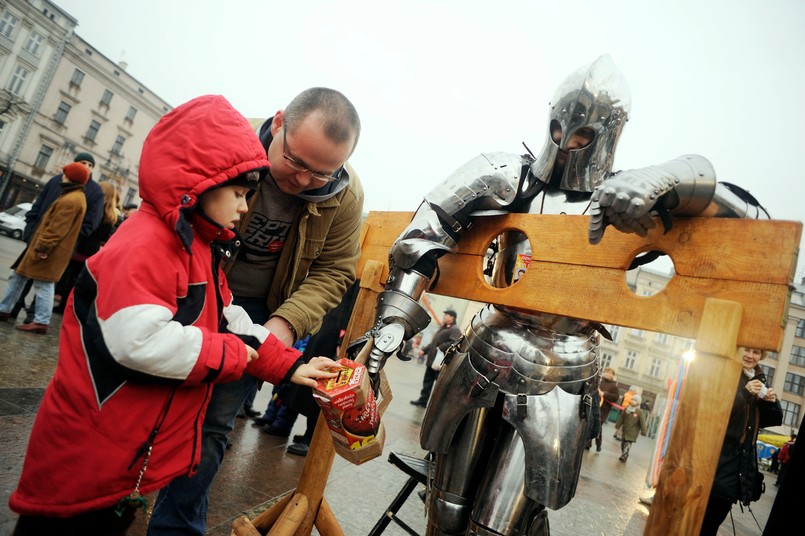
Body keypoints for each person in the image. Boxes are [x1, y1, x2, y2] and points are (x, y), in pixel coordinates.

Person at [352, 55, 771, 534]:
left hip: (565, 371)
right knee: (445, 512)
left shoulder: (626, 200)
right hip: (486, 347)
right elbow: (422, 235)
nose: (565, 143)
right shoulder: (507, 174)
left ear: (608, 134)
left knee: (496, 527)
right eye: (557, 129)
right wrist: (393, 323)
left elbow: (753, 228)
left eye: (582, 135)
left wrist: (670, 179)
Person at [7, 95, 338, 536]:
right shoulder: (144, 243)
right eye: (239, 194)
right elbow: (138, 341)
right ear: (200, 184)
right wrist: (233, 354)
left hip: (121, 457)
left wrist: (291, 365)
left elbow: (228, 317)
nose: (245, 207)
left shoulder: (197, 246)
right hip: (83, 461)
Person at [147, 87, 364, 536]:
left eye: (321, 173)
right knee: (146, 401)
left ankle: (175, 529)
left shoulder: (346, 196)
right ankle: (112, 496)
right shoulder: (227, 143)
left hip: (264, 313)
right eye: (296, 161)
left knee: (214, 423)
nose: (303, 180)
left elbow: (334, 270)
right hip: (192, 287)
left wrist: (282, 327)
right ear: (278, 122)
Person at [7, 152, 103, 322]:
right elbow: (37, 206)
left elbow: (90, 223)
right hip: (38, 238)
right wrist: (30, 230)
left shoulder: (94, 192)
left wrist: (70, 240)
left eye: (90, 165)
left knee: (45, 281)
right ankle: (12, 308)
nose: (86, 167)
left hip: (59, 244)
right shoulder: (57, 181)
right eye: (83, 162)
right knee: (23, 275)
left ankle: (36, 317)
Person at [699, 347, 782, 536]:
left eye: (756, 352)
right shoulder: (724, 372)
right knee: (700, 523)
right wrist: (744, 393)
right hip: (716, 462)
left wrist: (772, 402)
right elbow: (714, 411)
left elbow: (774, 420)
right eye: (747, 350)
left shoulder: (759, 378)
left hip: (736, 468)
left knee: (711, 524)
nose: (751, 356)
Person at [52, 180, 121, 314]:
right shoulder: (111, 215)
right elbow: (104, 236)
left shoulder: (95, 209)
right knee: (77, 281)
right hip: (92, 251)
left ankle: (63, 306)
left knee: (68, 278)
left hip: (81, 247)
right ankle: (69, 306)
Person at [409, 309, 462, 408]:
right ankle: (423, 400)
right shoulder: (443, 327)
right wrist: (424, 350)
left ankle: (438, 406)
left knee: (440, 386)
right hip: (432, 360)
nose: (444, 316)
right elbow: (433, 343)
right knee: (427, 382)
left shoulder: (455, 329)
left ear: (452, 317)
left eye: (446, 315)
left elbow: (453, 342)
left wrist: (440, 348)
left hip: (441, 363)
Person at [587, 367, 619, 451]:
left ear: (613, 375)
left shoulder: (614, 386)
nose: (608, 374)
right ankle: (588, 443)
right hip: (594, 405)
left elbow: (615, 397)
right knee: (590, 423)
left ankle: (598, 444)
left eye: (610, 373)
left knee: (598, 425)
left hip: (604, 409)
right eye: (607, 372)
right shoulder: (600, 381)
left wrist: (604, 394)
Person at [614, 394, 647, 462]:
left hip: (632, 432)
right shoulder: (627, 409)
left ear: (638, 403)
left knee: (628, 444)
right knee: (623, 443)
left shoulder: (639, 412)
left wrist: (644, 431)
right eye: (632, 399)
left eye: (635, 400)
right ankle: (624, 453)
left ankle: (624, 455)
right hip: (625, 430)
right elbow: (621, 418)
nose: (632, 401)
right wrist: (618, 425)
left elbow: (642, 422)